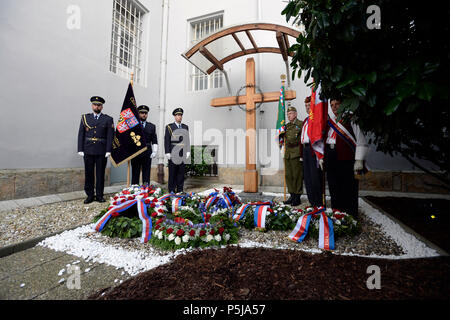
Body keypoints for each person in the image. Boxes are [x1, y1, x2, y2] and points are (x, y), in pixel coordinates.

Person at [323, 98, 368, 218]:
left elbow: (361, 140)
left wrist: (359, 160)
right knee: (334, 187)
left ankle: (350, 216)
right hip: (331, 157)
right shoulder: (330, 121)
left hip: (346, 159)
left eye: (337, 104)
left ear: (342, 104)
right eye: (332, 105)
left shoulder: (351, 118)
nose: (334, 107)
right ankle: (336, 213)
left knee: (348, 187)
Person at [77, 96, 114, 204]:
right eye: (95, 104)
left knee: (100, 174)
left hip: (101, 150)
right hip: (88, 149)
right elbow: (81, 134)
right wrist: (80, 148)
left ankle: (99, 195)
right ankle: (89, 195)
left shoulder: (108, 119)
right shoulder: (85, 118)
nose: (96, 106)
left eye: (99, 105)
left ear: (102, 107)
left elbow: (110, 135)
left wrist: (108, 150)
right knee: (89, 173)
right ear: (92, 105)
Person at [301, 96, 324, 207]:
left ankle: (318, 203)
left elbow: (319, 137)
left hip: (313, 150)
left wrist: (321, 155)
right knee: (308, 177)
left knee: (315, 177)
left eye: (309, 105)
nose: (307, 107)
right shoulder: (306, 120)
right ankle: (312, 202)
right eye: (305, 106)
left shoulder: (317, 120)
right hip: (305, 150)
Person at [164, 107, 190, 193]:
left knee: (181, 173)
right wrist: (167, 152)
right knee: (172, 173)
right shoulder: (169, 127)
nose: (179, 117)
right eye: (178, 115)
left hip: (182, 153)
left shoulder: (185, 127)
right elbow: (167, 140)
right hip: (173, 152)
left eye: (181, 115)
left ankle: (180, 190)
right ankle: (171, 190)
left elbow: (187, 140)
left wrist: (188, 151)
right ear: (174, 116)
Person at [131, 105, 158, 185]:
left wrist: (155, 151)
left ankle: (146, 190)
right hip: (136, 152)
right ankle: (134, 190)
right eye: (142, 113)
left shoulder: (151, 126)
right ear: (138, 114)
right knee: (135, 173)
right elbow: (129, 140)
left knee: (146, 173)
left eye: (145, 113)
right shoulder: (133, 125)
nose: (144, 115)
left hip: (147, 152)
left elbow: (154, 140)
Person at [283, 104, 303, 206]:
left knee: (297, 176)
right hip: (288, 154)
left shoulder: (300, 124)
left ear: (295, 114)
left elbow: (301, 139)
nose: (289, 116)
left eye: (290, 113)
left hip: (296, 153)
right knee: (289, 176)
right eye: (287, 114)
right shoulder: (286, 126)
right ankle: (291, 195)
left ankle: (297, 196)